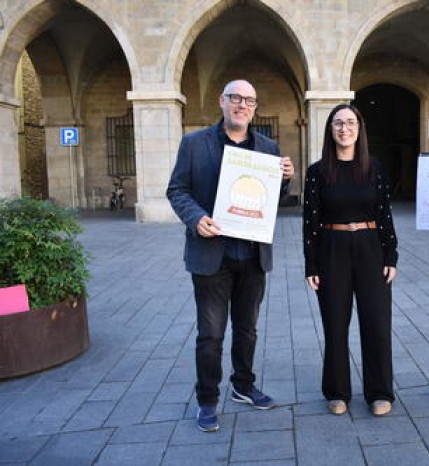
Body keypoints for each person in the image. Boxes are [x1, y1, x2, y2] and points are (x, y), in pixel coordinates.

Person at [167, 79, 295, 432]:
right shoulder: (194, 144)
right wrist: (196, 218)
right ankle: (207, 399)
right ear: (222, 101)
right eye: (236, 98)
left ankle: (243, 385)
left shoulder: (268, 148)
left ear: (255, 107)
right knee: (211, 333)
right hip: (212, 254)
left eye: (249, 100)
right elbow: (177, 189)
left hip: (252, 255)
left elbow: (273, 200)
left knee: (248, 329)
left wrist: (285, 180)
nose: (242, 104)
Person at [303, 104, 398, 417]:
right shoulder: (317, 172)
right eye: (338, 123)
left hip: (370, 247)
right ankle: (337, 391)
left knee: (377, 324)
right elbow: (310, 221)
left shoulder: (375, 168)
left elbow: (385, 215)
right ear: (331, 130)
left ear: (360, 128)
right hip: (332, 248)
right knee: (335, 324)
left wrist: (391, 255)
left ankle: (380, 392)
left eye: (350, 122)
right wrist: (311, 264)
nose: (344, 129)